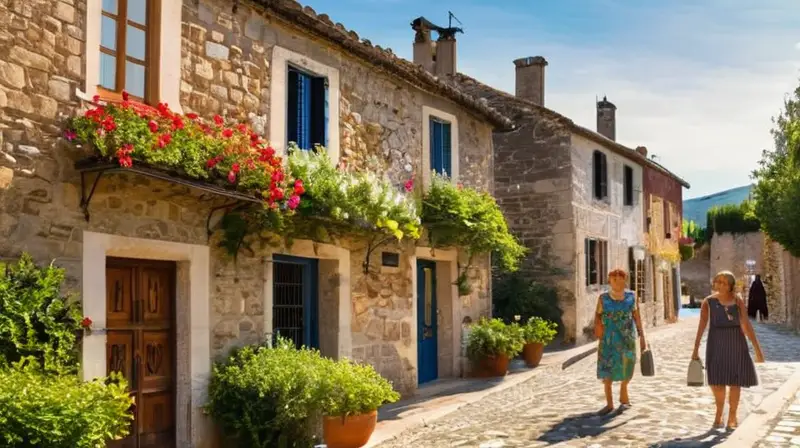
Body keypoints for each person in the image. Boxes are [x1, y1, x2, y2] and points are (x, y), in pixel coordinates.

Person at [691, 270, 765, 430]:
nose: (720, 285)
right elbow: (702, 325)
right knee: (716, 380)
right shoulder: (708, 302)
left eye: (724, 282)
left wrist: (757, 349)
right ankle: (719, 413)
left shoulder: (737, 301)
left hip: (736, 343)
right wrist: (695, 348)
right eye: (718, 281)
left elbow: (746, 325)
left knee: (735, 381)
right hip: (716, 343)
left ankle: (732, 414)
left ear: (731, 285)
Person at [595, 268, 646, 415]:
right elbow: (598, 316)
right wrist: (598, 331)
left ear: (625, 280)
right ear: (609, 281)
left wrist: (642, 336)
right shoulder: (603, 298)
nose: (617, 282)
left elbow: (637, 317)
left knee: (628, 366)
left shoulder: (631, 297)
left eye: (621, 279)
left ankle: (624, 391)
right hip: (609, 338)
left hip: (627, 337)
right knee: (607, 369)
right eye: (614, 279)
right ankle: (609, 404)